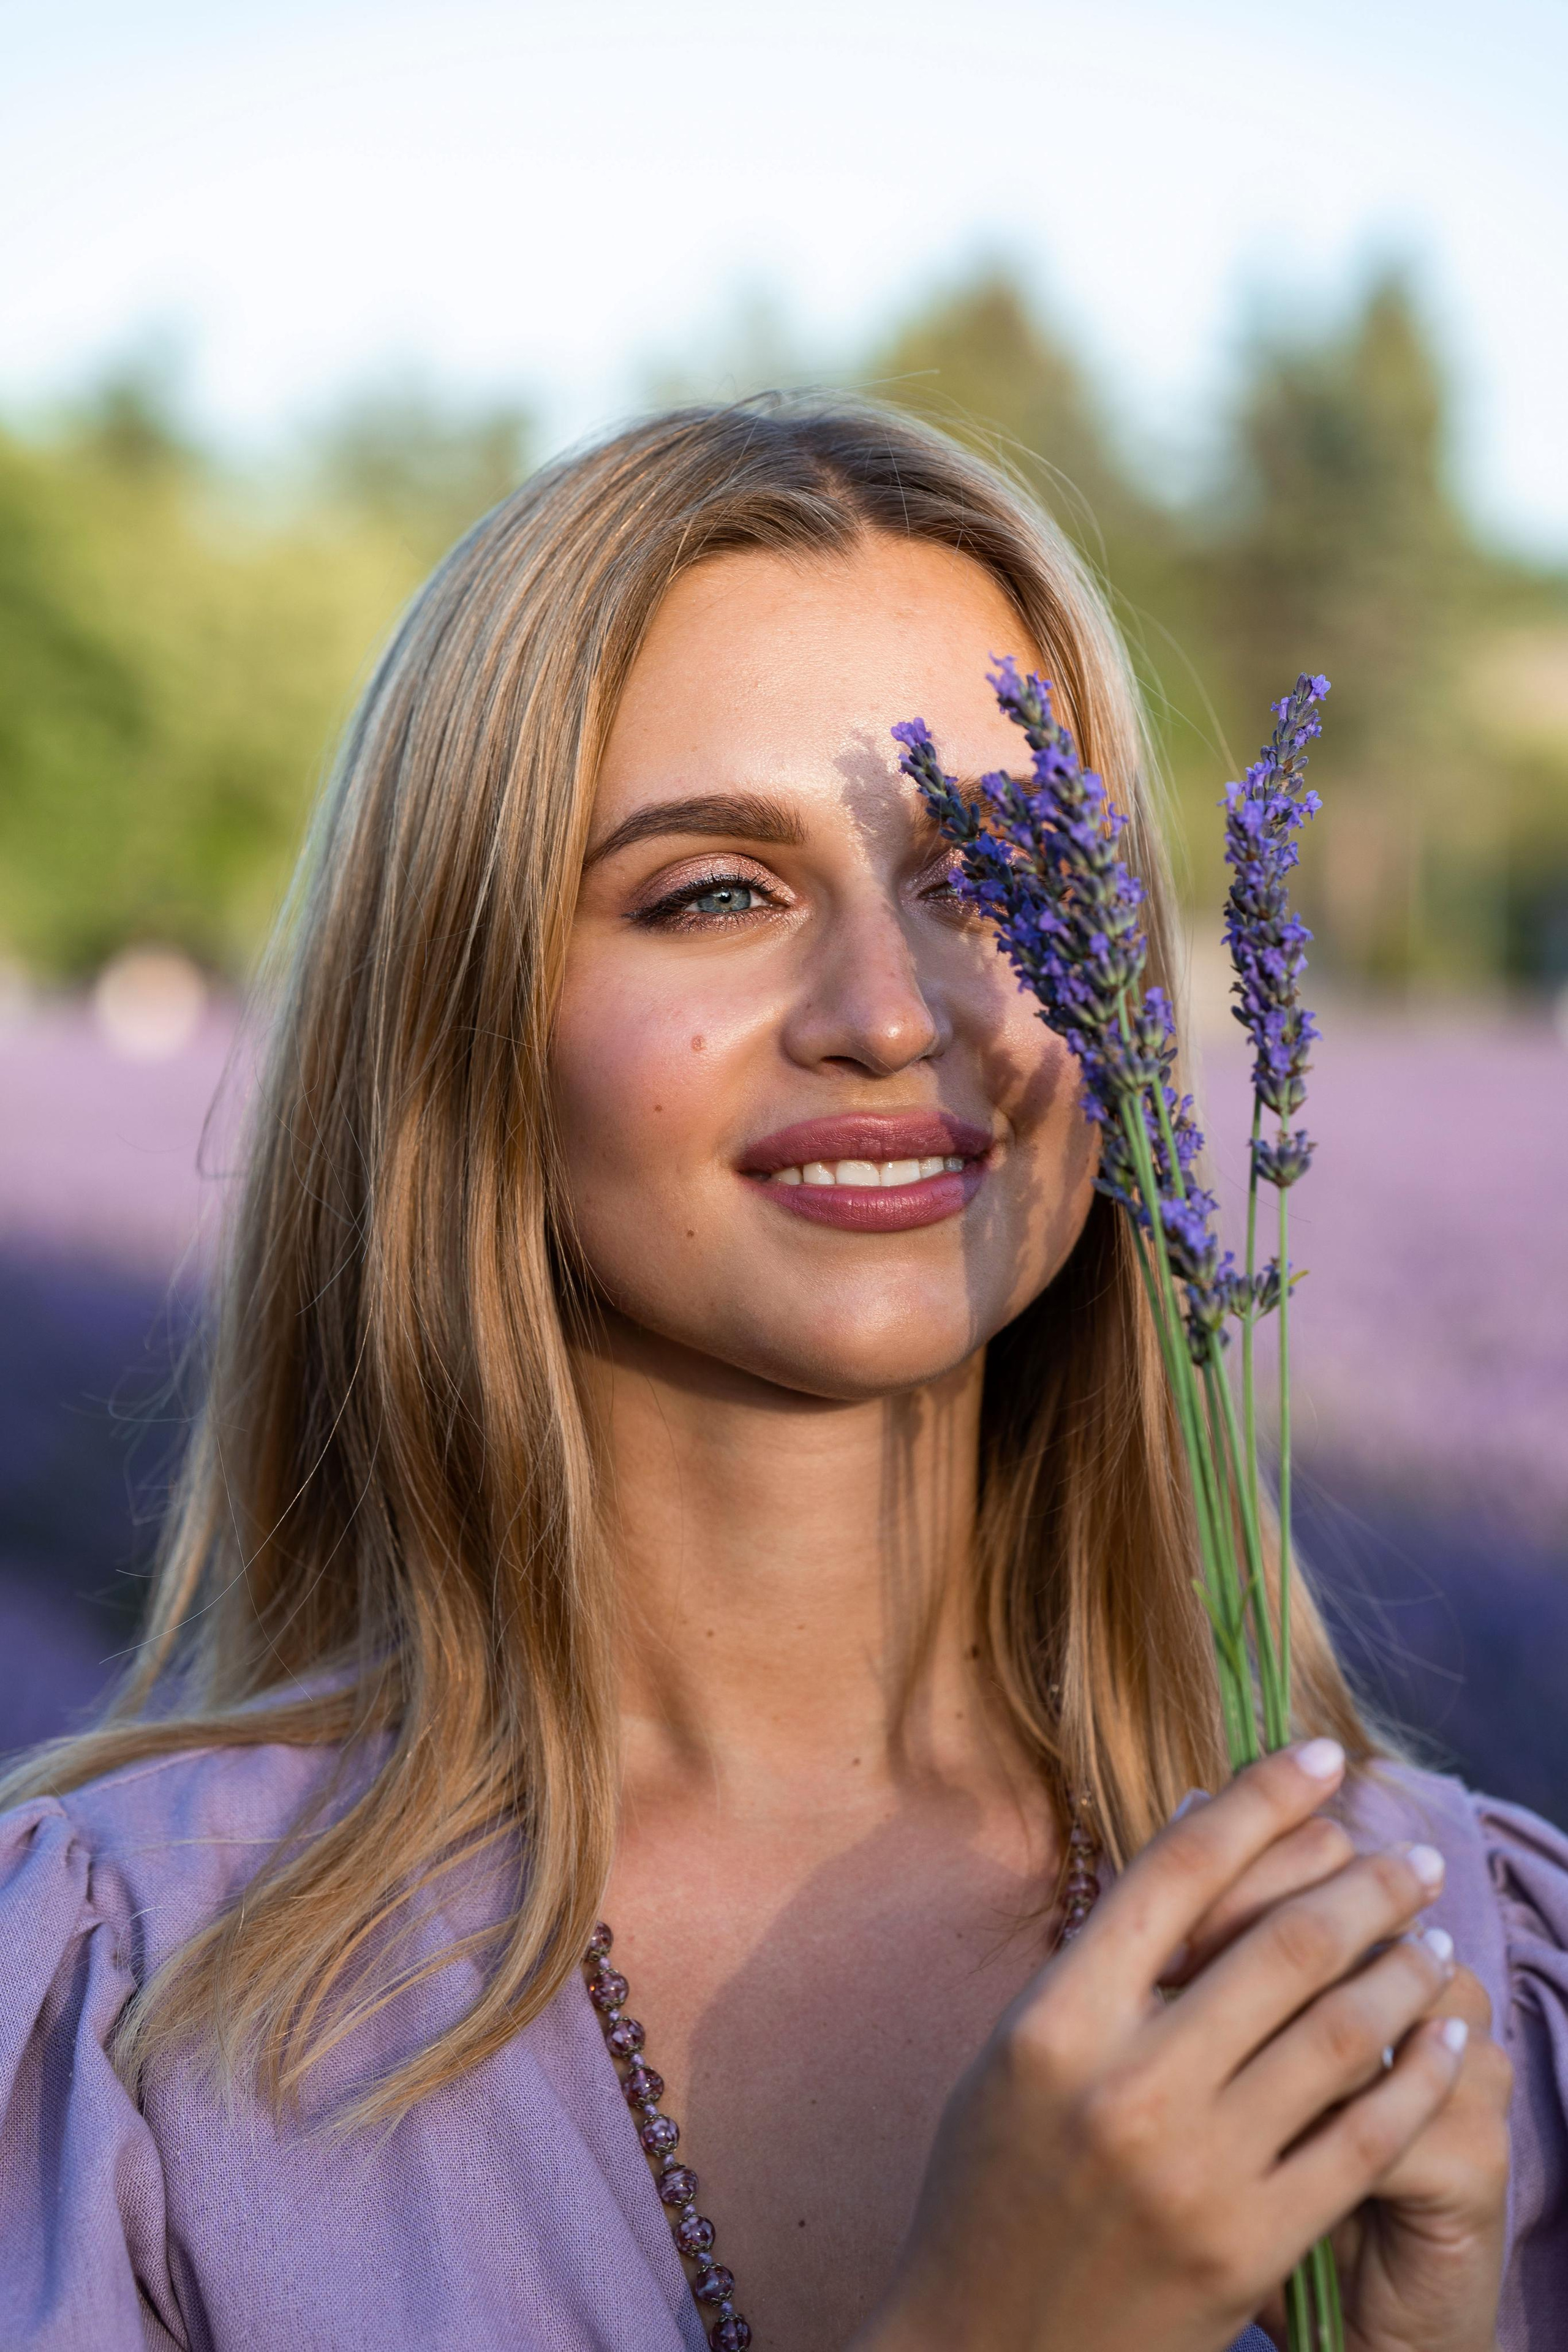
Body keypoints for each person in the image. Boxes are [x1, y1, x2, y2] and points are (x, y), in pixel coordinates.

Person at [0, 399, 1562, 2352]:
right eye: (715, 893)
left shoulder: (1456, 1955)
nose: (891, 1014)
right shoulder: (125, 2015)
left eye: (996, 881)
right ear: (461, 1018)